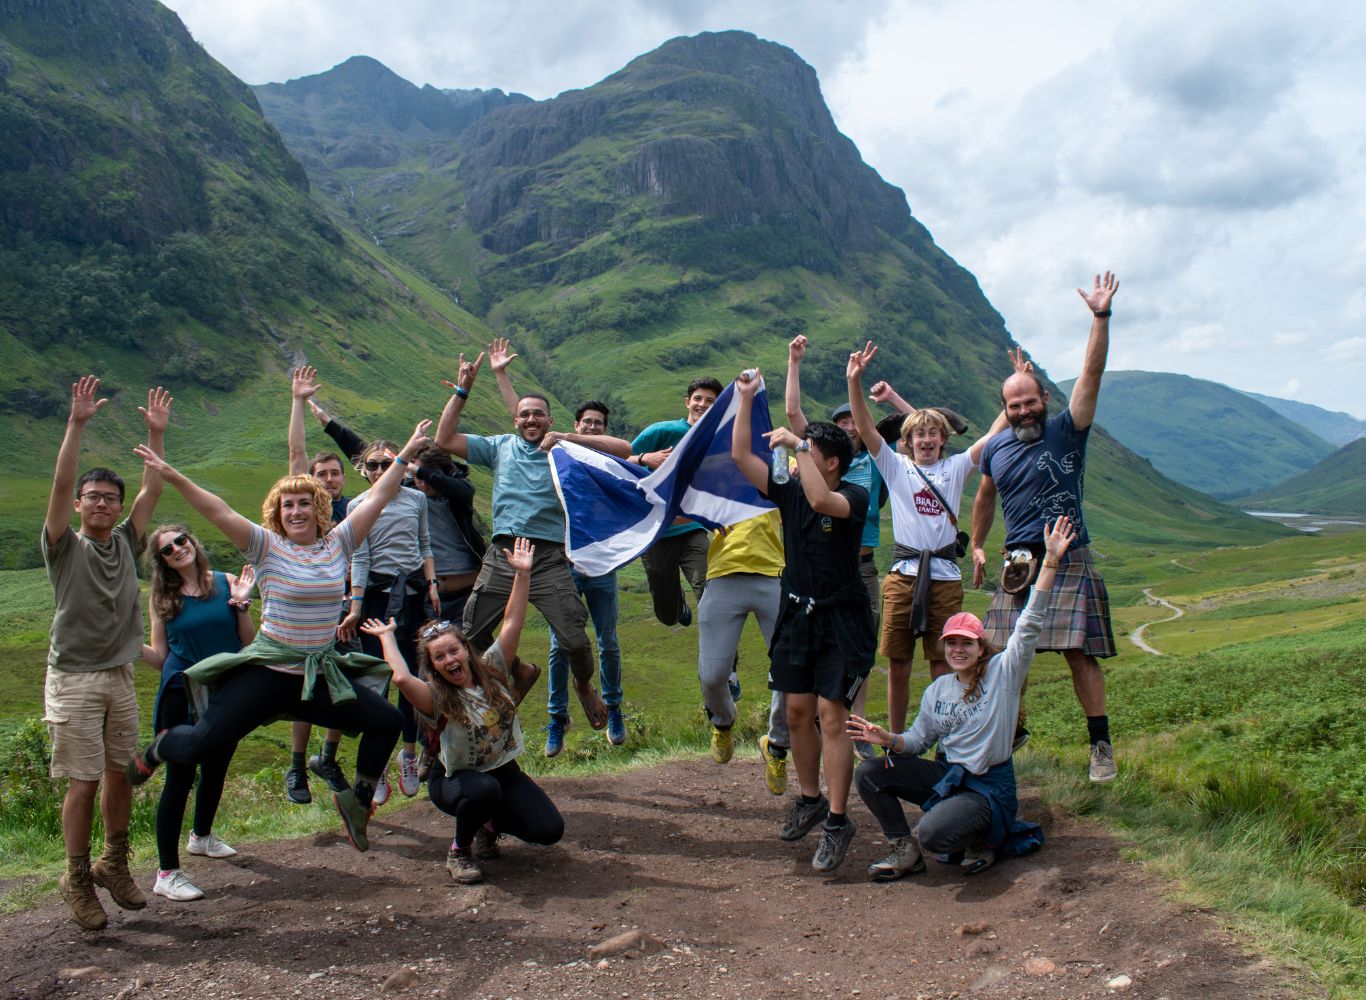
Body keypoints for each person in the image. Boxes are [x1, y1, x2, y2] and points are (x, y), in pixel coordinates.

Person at [124, 420, 434, 854]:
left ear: (318, 508)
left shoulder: (340, 543)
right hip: (269, 674)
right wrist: (173, 475)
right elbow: (217, 510)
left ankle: (357, 803)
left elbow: (380, 495)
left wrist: (404, 456)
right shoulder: (265, 546)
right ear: (277, 511)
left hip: (317, 675)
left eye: (304, 503)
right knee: (200, 746)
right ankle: (156, 749)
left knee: (385, 721)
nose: (296, 511)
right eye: (287, 505)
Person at [847, 515, 1075, 880]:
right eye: (951, 642)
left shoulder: (1004, 672)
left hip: (986, 785)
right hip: (948, 774)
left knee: (935, 835)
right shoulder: (939, 689)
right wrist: (887, 738)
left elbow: (1030, 621)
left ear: (980, 647)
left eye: (965, 643)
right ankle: (904, 850)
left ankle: (983, 839)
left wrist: (1049, 562)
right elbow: (919, 740)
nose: (956, 649)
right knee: (871, 772)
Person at [970, 272, 1121, 783]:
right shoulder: (997, 446)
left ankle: (1100, 745)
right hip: (1018, 561)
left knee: (1078, 653)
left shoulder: (1067, 430)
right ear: (1005, 410)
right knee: (1002, 655)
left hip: (1069, 553)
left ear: (1044, 400)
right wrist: (975, 543)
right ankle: (1013, 732)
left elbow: (1091, 376)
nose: (1022, 411)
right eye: (1013, 406)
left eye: (1029, 401)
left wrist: (1100, 317)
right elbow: (985, 494)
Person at [731, 367, 875, 873]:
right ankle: (811, 798)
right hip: (798, 614)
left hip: (843, 619)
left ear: (831, 462)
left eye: (810, 450)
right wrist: (746, 400)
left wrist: (797, 443)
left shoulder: (852, 496)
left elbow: (821, 500)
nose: (798, 455)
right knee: (796, 713)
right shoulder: (789, 490)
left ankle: (839, 820)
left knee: (831, 715)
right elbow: (741, 458)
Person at [361, 537, 564, 885]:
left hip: (503, 770)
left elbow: (512, 622)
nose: (449, 660)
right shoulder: (434, 697)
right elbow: (400, 677)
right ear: (434, 667)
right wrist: (387, 637)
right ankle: (459, 849)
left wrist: (523, 575)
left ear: (466, 651)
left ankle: (488, 826)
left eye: (453, 651)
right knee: (483, 791)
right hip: (455, 781)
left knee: (549, 830)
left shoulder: (493, 668)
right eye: (439, 657)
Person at [42, 377, 169, 930]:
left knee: (120, 773)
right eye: (91, 497)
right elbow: (61, 479)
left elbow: (152, 490)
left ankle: (113, 861)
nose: (100, 503)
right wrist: (77, 424)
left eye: (109, 498)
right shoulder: (62, 545)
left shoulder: (124, 540)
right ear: (78, 505)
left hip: (120, 675)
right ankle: (75, 877)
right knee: (84, 780)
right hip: (73, 677)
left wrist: (155, 436)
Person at [435, 348, 608, 730]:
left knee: (575, 640)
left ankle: (582, 684)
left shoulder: (565, 448)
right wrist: (462, 389)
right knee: (470, 637)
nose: (531, 419)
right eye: (524, 414)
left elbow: (622, 450)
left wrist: (565, 437)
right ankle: (519, 672)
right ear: (515, 419)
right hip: (503, 553)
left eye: (539, 414)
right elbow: (444, 438)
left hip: (547, 557)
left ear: (551, 420)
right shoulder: (499, 447)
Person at [845, 344, 1013, 734]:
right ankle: (898, 738)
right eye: (918, 433)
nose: (926, 439)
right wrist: (855, 380)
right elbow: (866, 427)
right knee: (899, 662)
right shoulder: (894, 465)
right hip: (903, 575)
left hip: (944, 576)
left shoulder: (956, 468)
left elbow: (991, 435)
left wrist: (1014, 393)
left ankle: (942, 737)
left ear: (943, 439)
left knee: (942, 662)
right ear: (907, 440)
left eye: (933, 433)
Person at [785, 334, 886, 759]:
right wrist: (794, 361)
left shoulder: (879, 461)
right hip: (820, 572)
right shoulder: (818, 457)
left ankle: (855, 731)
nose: (849, 426)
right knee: (815, 666)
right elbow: (793, 414)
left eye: (854, 422)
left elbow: (901, 424)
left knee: (858, 658)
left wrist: (855, 383)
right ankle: (828, 725)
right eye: (841, 423)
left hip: (860, 569)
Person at [142, 525, 255, 901]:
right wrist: (126, 641)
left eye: (181, 541)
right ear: (161, 561)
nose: (177, 549)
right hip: (182, 689)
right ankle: (166, 872)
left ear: (193, 542)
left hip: (225, 685)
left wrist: (241, 605)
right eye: (167, 549)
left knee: (219, 762)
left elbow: (248, 642)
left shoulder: (224, 581)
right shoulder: (161, 596)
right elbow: (159, 657)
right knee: (180, 775)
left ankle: (202, 837)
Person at [696, 511, 792, 794]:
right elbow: (683, 503)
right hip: (723, 574)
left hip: (772, 573)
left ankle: (776, 747)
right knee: (712, 675)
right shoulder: (715, 470)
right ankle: (723, 720)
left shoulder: (780, 465)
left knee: (790, 671)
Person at [628, 376, 724, 627]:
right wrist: (645, 457)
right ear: (687, 402)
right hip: (657, 530)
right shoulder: (661, 431)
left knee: (709, 593)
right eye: (698, 399)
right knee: (667, 614)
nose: (703, 404)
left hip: (693, 528)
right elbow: (622, 460)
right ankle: (677, 605)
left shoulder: (717, 442)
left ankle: (725, 663)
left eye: (710, 401)